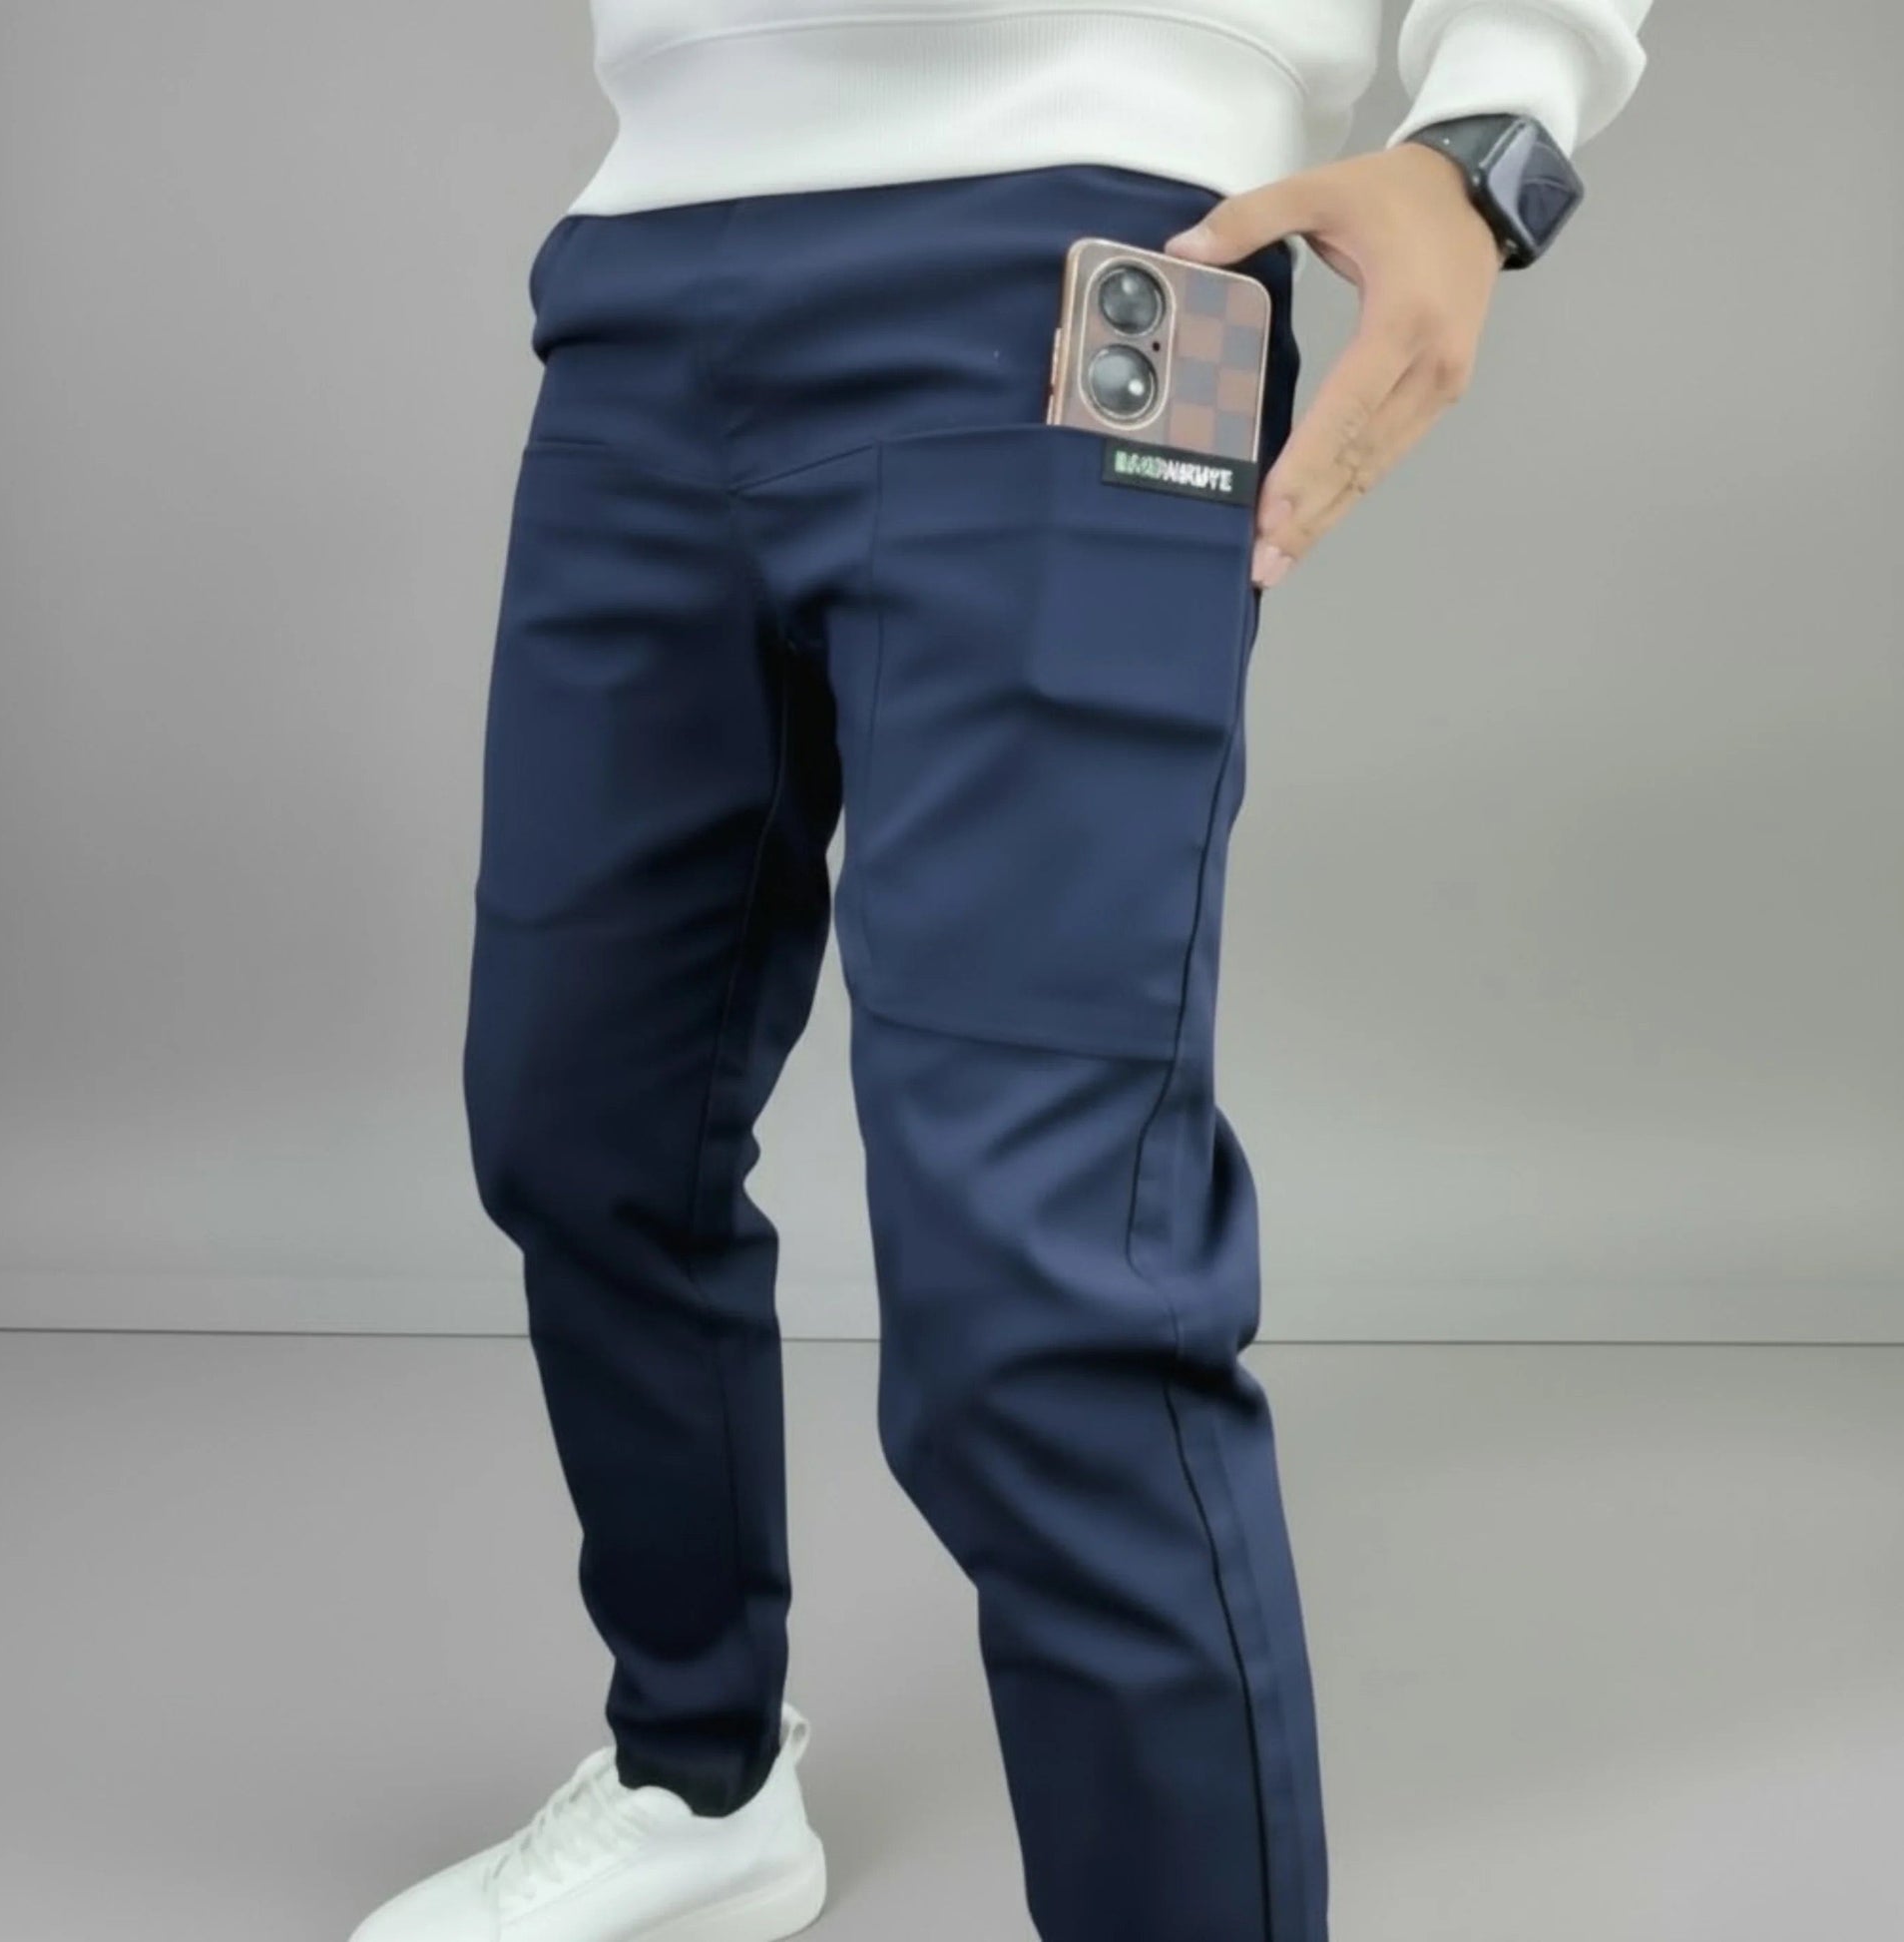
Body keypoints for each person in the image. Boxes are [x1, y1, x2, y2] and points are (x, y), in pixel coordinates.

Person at [349, 3, 1651, 1938]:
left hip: (1103, 251)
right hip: (642, 282)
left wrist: (1490, 143)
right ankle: (698, 1780)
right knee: (578, 1123)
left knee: (1040, 1261)